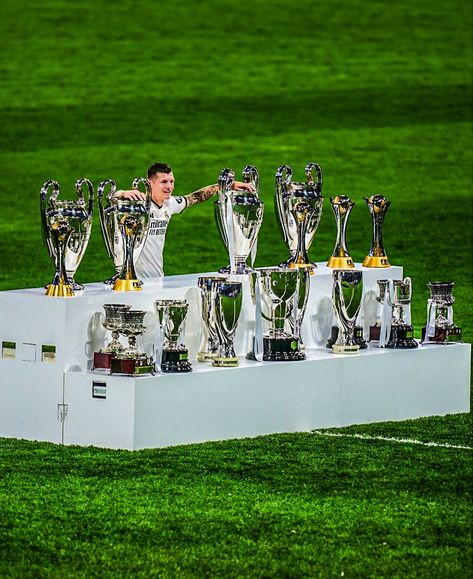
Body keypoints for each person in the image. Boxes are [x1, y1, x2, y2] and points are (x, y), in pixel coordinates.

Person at [116, 162, 254, 278]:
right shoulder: (137, 205)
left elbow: (195, 197)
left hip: (157, 278)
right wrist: (121, 193)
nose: (169, 187)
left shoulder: (170, 203)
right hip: (132, 280)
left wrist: (224, 186)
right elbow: (112, 200)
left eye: (171, 181)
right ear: (149, 184)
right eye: (163, 182)